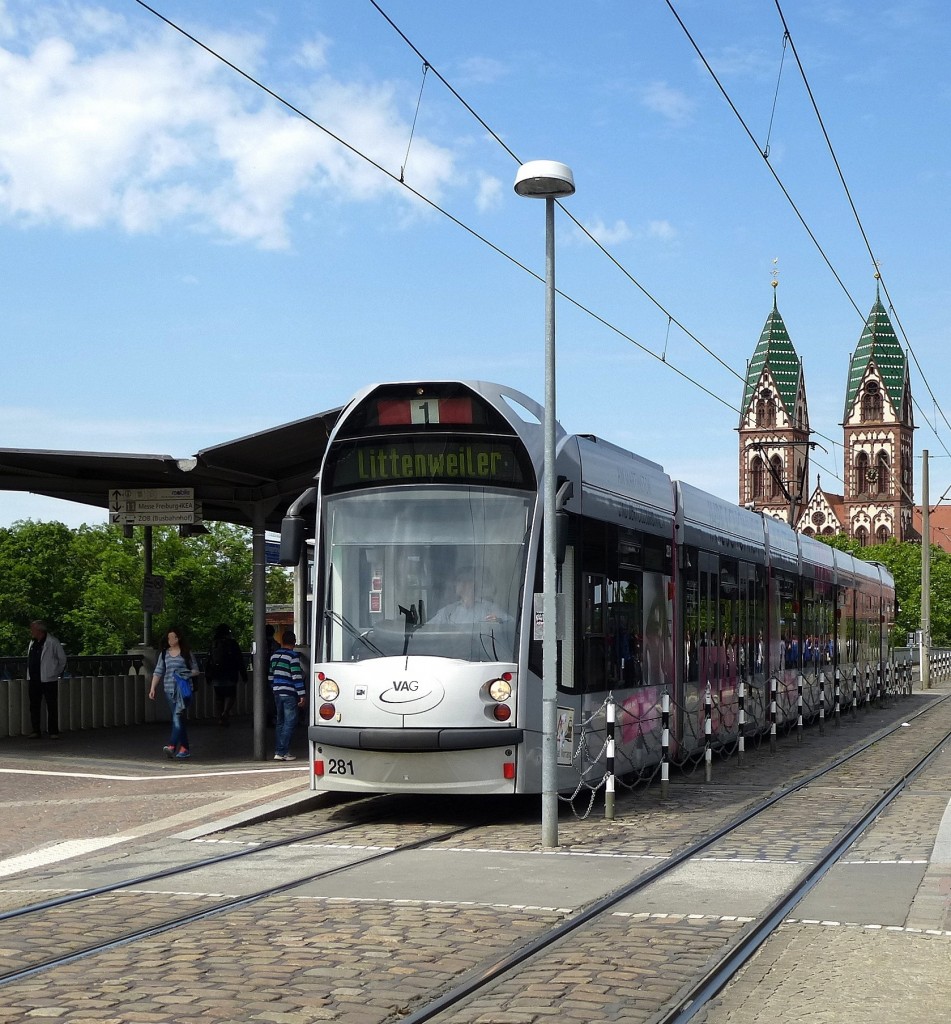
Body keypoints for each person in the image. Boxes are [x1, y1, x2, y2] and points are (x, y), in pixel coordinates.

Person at [148, 626, 199, 760]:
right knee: (179, 718)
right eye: (169, 638)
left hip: (183, 690)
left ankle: (171, 745)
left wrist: (184, 674)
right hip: (169, 690)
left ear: (178, 638)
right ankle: (184, 748)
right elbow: (158, 671)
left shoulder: (186, 653)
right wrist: (153, 688)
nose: (170, 640)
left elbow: (196, 670)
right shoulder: (164, 654)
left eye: (173, 637)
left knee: (177, 716)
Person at [26, 620, 67, 739]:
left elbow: (62, 659)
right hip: (34, 679)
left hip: (48, 679)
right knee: (34, 705)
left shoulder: (52, 642)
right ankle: (36, 730)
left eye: (33, 629)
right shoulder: (32, 642)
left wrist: (55, 672)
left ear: (39, 630)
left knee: (51, 705)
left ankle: (53, 731)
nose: (31, 631)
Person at [268, 629, 305, 761]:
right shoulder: (293, 656)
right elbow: (296, 676)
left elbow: (270, 676)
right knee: (290, 722)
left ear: (282, 641)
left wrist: (274, 689)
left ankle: (282, 750)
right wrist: (302, 694)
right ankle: (281, 751)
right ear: (294, 642)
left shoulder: (274, 656)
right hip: (289, 693)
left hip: (277, 692)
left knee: (280, 722)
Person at [428, 567, 512, 625]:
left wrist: (498, 621)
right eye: (458, 581)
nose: (460, 584)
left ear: (474, 584)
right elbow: (428, 628)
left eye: (465, 581)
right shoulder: (448, 611)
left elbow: (511, 623)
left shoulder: (488, 608)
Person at [206, 623, 247, 727]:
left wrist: (208, 675)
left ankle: (220, 717)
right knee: (231, 695)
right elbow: (239, 660)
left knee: (219, 697)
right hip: (230, 673)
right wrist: (244, 675)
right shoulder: (232, 643)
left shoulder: (213, 643)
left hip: (216, 674)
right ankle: (226, 712)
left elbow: (208, 660)